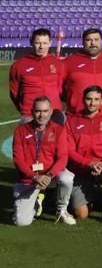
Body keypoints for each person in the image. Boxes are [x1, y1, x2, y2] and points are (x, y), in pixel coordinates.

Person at [12, 96, 73, 226]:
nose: (41, 115)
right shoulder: (20, 131)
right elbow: (18, 160)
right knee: (21, 222)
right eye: (38, 111)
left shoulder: (59, 129)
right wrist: (34, 177)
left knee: (67, 178)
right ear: (32, 111)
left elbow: (63, 157)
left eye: (45, 111)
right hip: (29, 179)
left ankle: (61, 210)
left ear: (50, 112)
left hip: (50, 176)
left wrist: (49, 175)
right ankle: (37, 201)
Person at [65, 86, 102, 222]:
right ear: (83, 100)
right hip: (79, 169)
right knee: (81, 215)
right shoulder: (71, 121)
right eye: (89, 99)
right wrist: (89, 163)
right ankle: (93, 196)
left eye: (96, 99)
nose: (92, 103)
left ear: (101, 101)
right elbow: (69, 151)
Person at [62, 28, 102, 115]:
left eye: (96, 39)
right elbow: (59, 87)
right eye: (88, 40)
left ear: (101, 41)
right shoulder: (68, 62)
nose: (93, 43)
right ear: (83, 42)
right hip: (77, 116)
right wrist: (73, 99)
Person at [9, 28, 65, 122]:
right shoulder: (19, 65)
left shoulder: (57, 64)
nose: (41, 47)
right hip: (30, 114)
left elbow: (60, 88)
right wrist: (24, 108)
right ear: (31, 42)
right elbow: (14, 92)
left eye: (45, 43)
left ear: (50, 43)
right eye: (38, 43)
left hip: (54, 112)